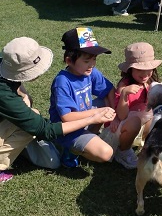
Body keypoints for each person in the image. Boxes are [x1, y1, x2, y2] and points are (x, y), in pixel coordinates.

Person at [0, 37, 116, 186]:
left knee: (28, 107)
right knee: (30, 123)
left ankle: (17, 149)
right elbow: (44, 129)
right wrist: (93, 117)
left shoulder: (1, 61)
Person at [49, 27, 117, 168]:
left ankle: (88, 137)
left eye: (94, 59)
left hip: (84, 117)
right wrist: (96, 115)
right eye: (86, 60)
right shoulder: (62, 82)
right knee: (106, 153)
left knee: (105, 104)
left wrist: (114, 118)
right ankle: (70, 149)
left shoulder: (90, 72)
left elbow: (109, 90)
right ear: (69, 61)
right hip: (67, 129)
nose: (92, 64)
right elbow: (67, 118)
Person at [106, 42, 162, 169]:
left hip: (140, 126)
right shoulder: (125, 86)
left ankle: (145, 146)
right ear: (130, 69)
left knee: (157, 116)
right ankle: (122, 151)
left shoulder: (151, 84)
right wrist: (124, 95)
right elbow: (122, 115)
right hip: (123, 127)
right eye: (140, 69)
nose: (145, 74)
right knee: (138, 120)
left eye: (149, 69)